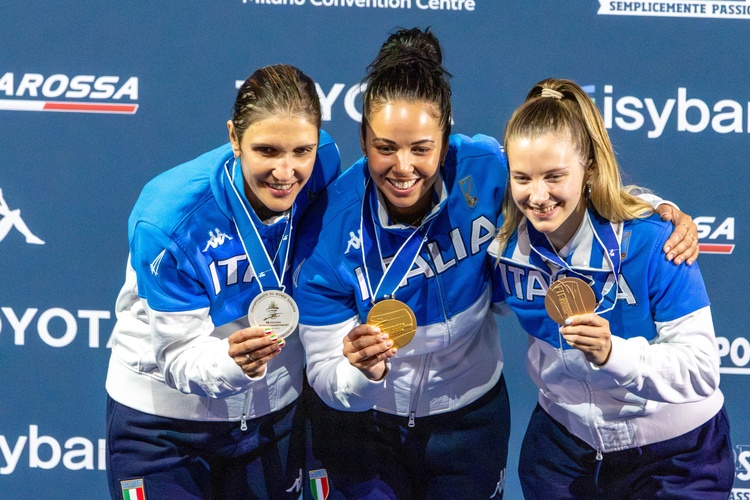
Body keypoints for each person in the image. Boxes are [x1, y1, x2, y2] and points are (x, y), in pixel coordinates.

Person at [292, 29, 698, 499]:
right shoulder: (329, 227)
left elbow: (560, 186)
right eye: (385, 148)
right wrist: (362, 374)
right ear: (363, 140)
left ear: (446, 141)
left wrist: (656, 209)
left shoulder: (483, 168)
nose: (403, 167)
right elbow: (326, 376)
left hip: (470, 421)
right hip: (366, 428)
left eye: (421, 148)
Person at [489, 78, 733, 499]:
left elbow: (701, 370)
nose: (538, 196)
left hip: (677, 458)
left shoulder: (655, 241)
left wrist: (612, 354)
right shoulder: (503, 246)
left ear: (588, 167)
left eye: (554, 176)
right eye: (522, 178)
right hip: (563, 456)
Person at [105, 64, 340, 499]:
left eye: (301, 151)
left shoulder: (325, 165)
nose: (286, 171)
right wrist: (233, 364)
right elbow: (177, 354)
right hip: (163, 427)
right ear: (234, 137)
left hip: (273, 416)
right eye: (267, 151)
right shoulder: (169, 218)